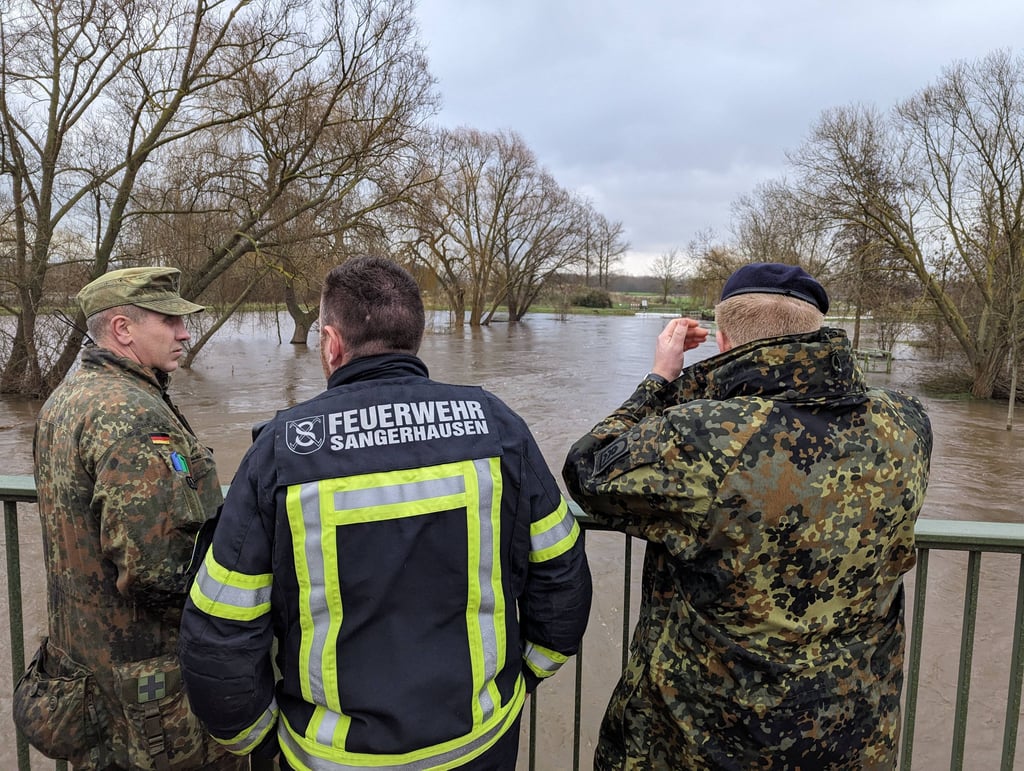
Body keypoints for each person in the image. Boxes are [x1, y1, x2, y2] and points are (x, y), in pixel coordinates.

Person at [178, 255, 592, 770]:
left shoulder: (282, 452)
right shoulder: (497, 427)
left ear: (330, 343)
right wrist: (526, 677)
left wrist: (260, 743)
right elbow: (563, 573)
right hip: (479, 744)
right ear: (414, 337)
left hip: (332, 758)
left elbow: (221, 627)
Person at [562, 262, 933, 770]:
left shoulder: (704, 435)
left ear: (724, 339)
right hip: (856, 733)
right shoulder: (907, 422)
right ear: (818, 331)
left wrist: (662, 377)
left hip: (714, 741)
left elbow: (589, 469)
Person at [20, 267, 246, 770]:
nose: (185, 333)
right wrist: (240, 612)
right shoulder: (130, 415)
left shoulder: (69, 397)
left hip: (91, 677)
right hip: (150, 697)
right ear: (123, 329)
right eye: (169, 321)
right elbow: (158, 574)